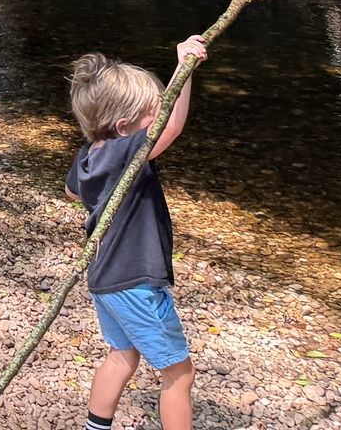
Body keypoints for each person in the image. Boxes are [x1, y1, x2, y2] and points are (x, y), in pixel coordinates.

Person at [65, 36, 209, 430]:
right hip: (135, 283)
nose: (159, 116)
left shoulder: (89, 155)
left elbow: (72, 191)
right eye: (153, 113)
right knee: (179, 373)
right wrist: (184, 67)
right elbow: (173, 126)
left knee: (122, 356)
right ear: (124, 128)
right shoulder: (124, 152)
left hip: (105, 279)